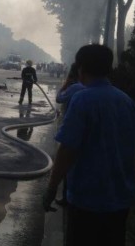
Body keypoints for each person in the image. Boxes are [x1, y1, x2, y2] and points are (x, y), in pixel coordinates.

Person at [43, 44, 135, 246]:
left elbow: (67, 150)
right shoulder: (126, 101)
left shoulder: (82, 99)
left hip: (88, 200)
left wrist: (52, 188)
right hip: (120, 200)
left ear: (81, 68)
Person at [54, 63, 85, 206]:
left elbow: (59, 98)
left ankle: (67, 197)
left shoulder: (74, 88)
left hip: (72, 129)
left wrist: (65, 85)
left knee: (68, 162)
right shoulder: (120, 97)